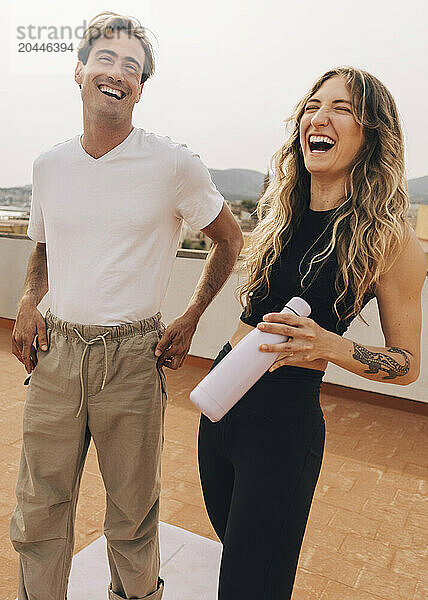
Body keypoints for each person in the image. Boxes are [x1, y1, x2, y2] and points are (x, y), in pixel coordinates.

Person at [10, 11, 243, 600]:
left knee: (133, 513)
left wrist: (191, 316)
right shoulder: (49, 164)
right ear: (80, 70)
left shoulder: (171, 164)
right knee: (39, 508)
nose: (118, 73)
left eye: (133, 67)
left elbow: (230, 238)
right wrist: (31, 298)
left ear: (142, 86)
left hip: (132, 360)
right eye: (107, 59)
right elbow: (42, 244)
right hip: (56, 356)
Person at [197, 67, 426, 599]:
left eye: (342, 109)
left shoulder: (388, 239)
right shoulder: (281, 210)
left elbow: (407, 363)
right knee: (235, 558)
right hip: (220, 406)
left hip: (280, 430)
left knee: (250, 587)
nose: (319, 117)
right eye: (313, 105)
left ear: (372, 134)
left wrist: (331, 346)